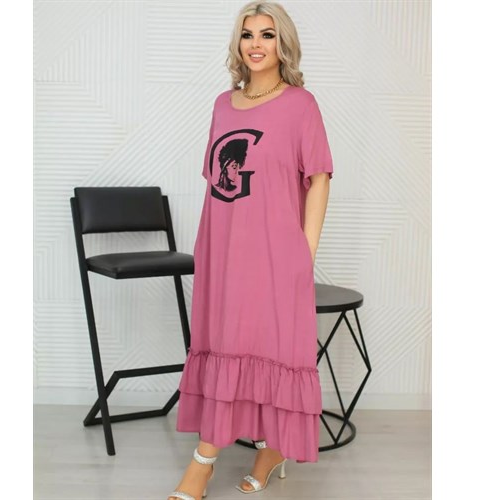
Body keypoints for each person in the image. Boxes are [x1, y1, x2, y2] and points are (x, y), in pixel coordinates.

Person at [168, 1, 334, 498]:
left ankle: (207, 463)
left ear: (283, 43)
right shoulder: (223, 104)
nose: (256, 44)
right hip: (223, 249)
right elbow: (219, 185)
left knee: (272, 349)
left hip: (276, 251)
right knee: (227, 347)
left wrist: (304, 253)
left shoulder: (301, 104)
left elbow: (319, 178)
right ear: (237, 43)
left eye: (267, 34)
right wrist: (210, 248)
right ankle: (264, 450)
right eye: (247, 34)